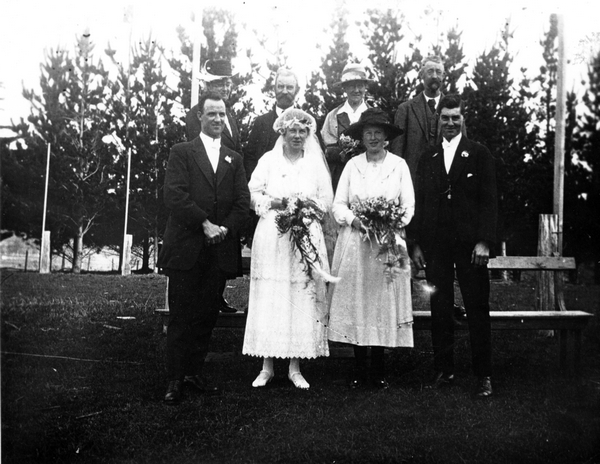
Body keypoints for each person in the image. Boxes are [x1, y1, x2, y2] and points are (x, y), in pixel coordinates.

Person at [158, 92, 250, 405]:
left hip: (219, 249)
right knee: (182, 315)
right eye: (211, 114)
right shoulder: (182, 151)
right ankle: (174, 378)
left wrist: (224, 228)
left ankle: (195, 372)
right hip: (186, 248)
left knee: (206, 316)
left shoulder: (233, 158)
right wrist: (204, 224)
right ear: (200, 116)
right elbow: (174, 195)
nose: (217, 120)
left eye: (222, 115)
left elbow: (241, 202)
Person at [409, 94, 497, 398]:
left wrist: (484, 241)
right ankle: (444, 371)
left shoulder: (478, 153)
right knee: (440, 307)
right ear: (437, 119)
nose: (449, 123)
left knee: (476, 307)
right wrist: (416, 244)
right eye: (444, 117)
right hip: (436, 245)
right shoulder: (428, 157)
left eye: (455, 117)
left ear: (463, 118)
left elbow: (490, 201)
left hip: (470, 245)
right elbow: (419, 203)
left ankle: (483, 374)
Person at [242, 108, 333, 390]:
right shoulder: (268, 160)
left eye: (302, 131)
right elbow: (252, 193)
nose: (297, 136)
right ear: (282, 132)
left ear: (308, 134)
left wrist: (305, 206)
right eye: (291, 130)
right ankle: (267, 365)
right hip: (273, 235)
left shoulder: (315, 164)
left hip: (306, 235)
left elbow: (326, 200)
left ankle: (295, 366)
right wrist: (275, 202)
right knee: (272, 294)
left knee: (300, 294)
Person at [327, 108, 415, 389]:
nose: (374, 138)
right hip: (357, 244)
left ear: (387, 137)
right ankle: (359, 368)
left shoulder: (399, 166)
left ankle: (378, 370)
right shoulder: (353, 165)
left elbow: (408, 206)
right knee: (358, 301)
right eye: (368, 133)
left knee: (381, 302)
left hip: (387, 243)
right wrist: (355, 220)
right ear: (362, 138)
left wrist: (388, 221)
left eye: (379, 133)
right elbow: (338, 205)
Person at [392, 54, 467, 320]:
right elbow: (397, 154)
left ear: (444, 76)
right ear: (421, 75)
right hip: (414, 188)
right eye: (430, 71)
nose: (434, 76)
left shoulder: (452, 108)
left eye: (439, 72)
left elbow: (462, 150)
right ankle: (401, 311)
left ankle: (447, 306)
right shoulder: (406, 109)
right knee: (410, 244)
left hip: (444, 193)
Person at [186, 58, 243, 313]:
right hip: (208, 189)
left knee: (225, 248)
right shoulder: (195, 115)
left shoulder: (229, 115)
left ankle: (216, 296)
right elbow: (202, 151)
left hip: (228, 190)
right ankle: (206, 298)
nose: (226, 88)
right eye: (221, 84)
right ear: (210, 86)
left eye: (229, 83)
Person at [321, 63, 373, 192]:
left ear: (365, 87)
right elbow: (327, 148)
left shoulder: (374, 115)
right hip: (340, 176)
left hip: (370, 176)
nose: (356, 90)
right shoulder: (333, 116)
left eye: (360, 85)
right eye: (351, 85)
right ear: (344, 88)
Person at [244, 68, 301, 180]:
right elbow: (250, 158)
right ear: (274, 89)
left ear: (297, 90)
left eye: (289, 87)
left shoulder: (305, 120)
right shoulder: (261, 122)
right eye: (280, 86)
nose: (284, 91)